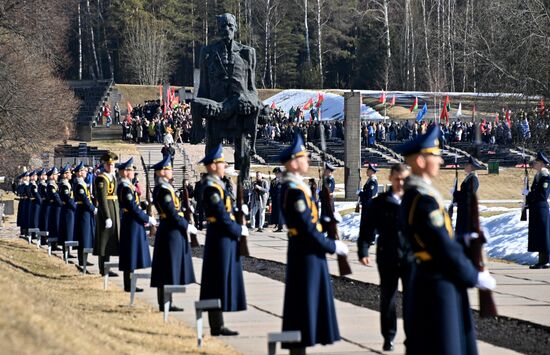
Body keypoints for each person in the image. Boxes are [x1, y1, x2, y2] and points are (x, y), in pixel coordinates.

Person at [396, 125, 496, 355]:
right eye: (436, 155)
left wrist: (465, 241)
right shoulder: (423, 200)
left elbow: (438, 240)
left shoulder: (419, 196)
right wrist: (473, 275)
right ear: (421, 161)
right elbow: (440, 246)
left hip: (433, 278)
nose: (440, 161)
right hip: (437, 284)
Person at [278, 132, 348, 353]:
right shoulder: (295, 192)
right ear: (293, 162)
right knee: (302, 312)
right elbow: (307, 230)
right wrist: (332, 246)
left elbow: (311, 222)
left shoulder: (298, 189)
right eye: (303, 157)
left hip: (307, 255)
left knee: (305, 312)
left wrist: (327, 219)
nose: (307, 160)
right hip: (305, 255)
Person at [190, 12, 263, 182]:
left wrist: (250, 101)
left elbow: (252, 90)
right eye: (223, 26)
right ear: (218, 29)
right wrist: (202, 111)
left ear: (235, 28)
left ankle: (243, 184)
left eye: (230, 26)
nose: (226, 29)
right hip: (217, 109)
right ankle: (212, 183)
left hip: (239, 109)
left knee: (243, 154)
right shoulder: (207, 52)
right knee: (213, 152)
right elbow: (203, 87)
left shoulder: (247, 53)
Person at [357, 163, 412, 352]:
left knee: (411, 299)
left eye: (404, 179)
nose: (400, 182)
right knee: (388, 298)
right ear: (390, 179)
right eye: (397, 178)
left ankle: (411, 338)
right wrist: (363, 249)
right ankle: (388, 337)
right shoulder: (381, 202)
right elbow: (368, 227)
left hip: (410, 257)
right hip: (387, 255)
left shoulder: (414, 202)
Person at [199, 144, 248, 336]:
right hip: (219, 237)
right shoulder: (211, 189)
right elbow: (220, 215)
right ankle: (215, 325)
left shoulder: (218, 186)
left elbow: (226, 210)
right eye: (220, 162)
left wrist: (238, 212)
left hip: (223, 237)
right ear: (212, 166)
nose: (224, 165)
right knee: (216, 280)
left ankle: (217, 324)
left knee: (219, 281)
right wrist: (239, 229)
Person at [150, 155, 196, 310]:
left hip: (172, 230)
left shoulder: (166, 188)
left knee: (169, 267)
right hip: (170, 230)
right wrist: (185, 225)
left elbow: (175, 209)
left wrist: (186, 210)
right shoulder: (162, 190)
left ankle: (168, 302)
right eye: (168, 168)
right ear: (162, 172)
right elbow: (170, 213)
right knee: (166, 267)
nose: (171, 171)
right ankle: (164, 303)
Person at [117, 158, 155, 292]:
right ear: (126, 172)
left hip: (132, 221)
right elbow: (132, 207)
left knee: (132, 254)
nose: (133, 172)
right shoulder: (125, 187)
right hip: (131, 222)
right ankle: (129, 284)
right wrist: (147, 218)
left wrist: (144, 206)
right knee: (130, 254)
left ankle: (131, 283)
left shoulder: (128, 186)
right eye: (132, 169)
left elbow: (134, 204)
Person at [94, 152, 120, 276]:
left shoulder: (113, 177)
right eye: (109, 165)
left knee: (110, 240)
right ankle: (102, 268)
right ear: (104, 164)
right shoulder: (101, 178)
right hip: (107, 211)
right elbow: (103, 199)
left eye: (113, 165)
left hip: (114, 208)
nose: (111, 167)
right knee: (103, 241)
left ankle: (107, 267)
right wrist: (107, 216)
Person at [525, 151, 550, 269]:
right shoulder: (538, 176)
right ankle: (541, 260)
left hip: (541, 209)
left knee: (543, 235)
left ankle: (546, 261)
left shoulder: (545, 177)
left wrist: (529, 194)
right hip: (536, 209)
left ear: (541, 164)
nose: (534, 164)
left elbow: (542, 195)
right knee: (539, 235)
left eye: (536, 162)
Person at [73, 162, 96, 269]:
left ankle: (84, 259)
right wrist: (93, 209)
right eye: (84, 171)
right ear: (79, 173)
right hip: (83, 211)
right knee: (83, 236)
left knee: (85, 235)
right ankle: (82, 260)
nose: (86, 172)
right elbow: (85, 200)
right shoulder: (79, 184)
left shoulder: (82, 183)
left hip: (85, 211)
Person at [454, 156, 483, 235]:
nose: (465, 167)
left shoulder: (473, 179)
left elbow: (468, 195)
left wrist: (456, 194)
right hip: (464, 208)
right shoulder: (469, 177)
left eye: (467, 165)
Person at [59, 164, 77, 258]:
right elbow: (67, 198)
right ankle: (66, 252)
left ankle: (68, 251)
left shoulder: (67, 183)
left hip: (68, 210)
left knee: (69, 230)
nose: (71, 174)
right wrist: (75, 206)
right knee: (67, 230)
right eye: (69, 172)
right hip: (67, 210)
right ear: (65, 174)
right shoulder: (64, 185)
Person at [358, 163, 378, 241]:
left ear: (372, 171)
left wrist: (361, 193)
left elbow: (370, 194)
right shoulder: (369, 180)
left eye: (368, 170)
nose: (366, 171)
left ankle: (372, 238)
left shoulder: (373, 181)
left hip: (370, 204)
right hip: (366, 204)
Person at [47, 167, 62, 250]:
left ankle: (55, 243)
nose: (57, 176)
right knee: (54, 224)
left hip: (56, 207)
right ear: (52, 176)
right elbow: (56, 197)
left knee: (56, 224)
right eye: (56, 174)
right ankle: (54, 244)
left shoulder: (54, 184)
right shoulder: (51, 186)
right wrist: (61, 204)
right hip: (55, 207)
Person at [269, 167, 285, 232]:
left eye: (278, 173)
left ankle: (281, 227)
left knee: (280, 213)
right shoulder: (273, 181)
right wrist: (272, 195)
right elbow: (271, 190)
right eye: (275, 173)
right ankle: (277, 225)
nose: (276, 174)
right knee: (276, 213)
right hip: (275, 199)